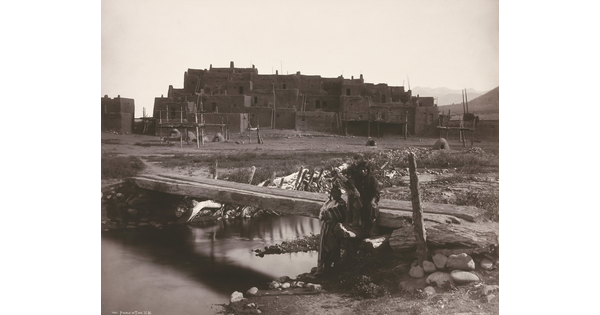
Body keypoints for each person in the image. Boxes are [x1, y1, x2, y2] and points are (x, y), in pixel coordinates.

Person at [315, 185, 346, 276]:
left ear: (340, 194)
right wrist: (326, 214)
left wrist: (328, 215)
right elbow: (322, 213)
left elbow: (340, 215)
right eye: (333, 192)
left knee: (333, 246)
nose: (334, 194)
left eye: (336, 192)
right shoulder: (329, 202)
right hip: (325, 227)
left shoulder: (342, 203)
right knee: (323, 246)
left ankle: (333, 268)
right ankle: (322, 268)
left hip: (334, 228)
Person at [346, 160, 380, 236]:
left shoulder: (372, 179)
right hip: (360, 199)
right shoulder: (356, 178)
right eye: (361, 169)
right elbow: (349, 182)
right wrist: (355, 189)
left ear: (367, 170)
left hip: (369, 199)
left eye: (364, 169)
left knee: (373, 208)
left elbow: (376, 192)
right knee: (353, 198)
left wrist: (373, 200)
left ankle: (373, 228)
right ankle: (356, 221)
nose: (362, 171)